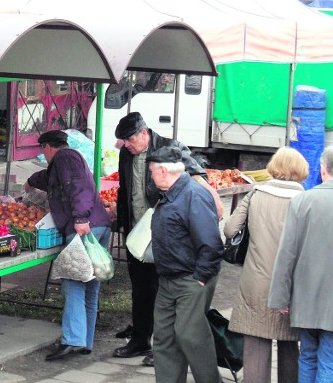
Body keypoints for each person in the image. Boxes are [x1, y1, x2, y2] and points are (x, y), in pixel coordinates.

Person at [113, 112, 223, 367]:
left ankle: (164, 346)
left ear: (144, 133)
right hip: (136, 232)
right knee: (140, 289)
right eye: (123, 141)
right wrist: (121, 220)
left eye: (129, 139)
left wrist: (215, 201)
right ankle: (140, 339)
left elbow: (198, 177)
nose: (126, 145)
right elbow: (124, 189)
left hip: (165, 234)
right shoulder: (126, 155)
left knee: (163, 290)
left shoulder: (170, 148)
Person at [224, 147, 308, 383]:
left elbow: (230, 229)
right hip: (291, 284)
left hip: (255, 282)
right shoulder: (304, 200)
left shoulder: (256, 194)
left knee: (256, 347)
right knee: (289, 345)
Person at [140, 147, 224, 383]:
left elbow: (211, 243)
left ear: (163, 170)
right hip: (168, 276)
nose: (151, 176)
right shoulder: (169, 194)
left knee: (189, 332)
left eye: (152, 171)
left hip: (191, 277)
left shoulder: (193, 196)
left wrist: (200, 277)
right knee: (163, 335)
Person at [268, 147, 333, 383]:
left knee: (308, 357)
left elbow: (287, 254)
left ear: (323, 169)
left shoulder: (302, 201)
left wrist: (281, 296)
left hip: (304, 298)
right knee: (329, 364)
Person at [26, 130, 111, 361]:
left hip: (85, 227)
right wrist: (31, 181)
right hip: (99, 226)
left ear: (48, 147)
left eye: (41, 150)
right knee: (90, 284)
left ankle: (72, 340)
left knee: (73, 283)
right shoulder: (65, 162)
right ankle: (85, 341)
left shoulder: (65, 158)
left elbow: (79, 186)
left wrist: (81, 218)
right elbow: (49, 179)